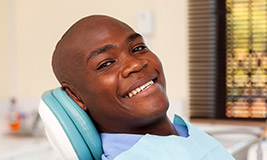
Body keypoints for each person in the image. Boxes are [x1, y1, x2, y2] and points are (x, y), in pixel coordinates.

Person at [52, 15, 235, 160]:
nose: (136, 64)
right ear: (76, 96)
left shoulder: (186, 134)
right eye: (106, 64)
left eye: (138, 48)